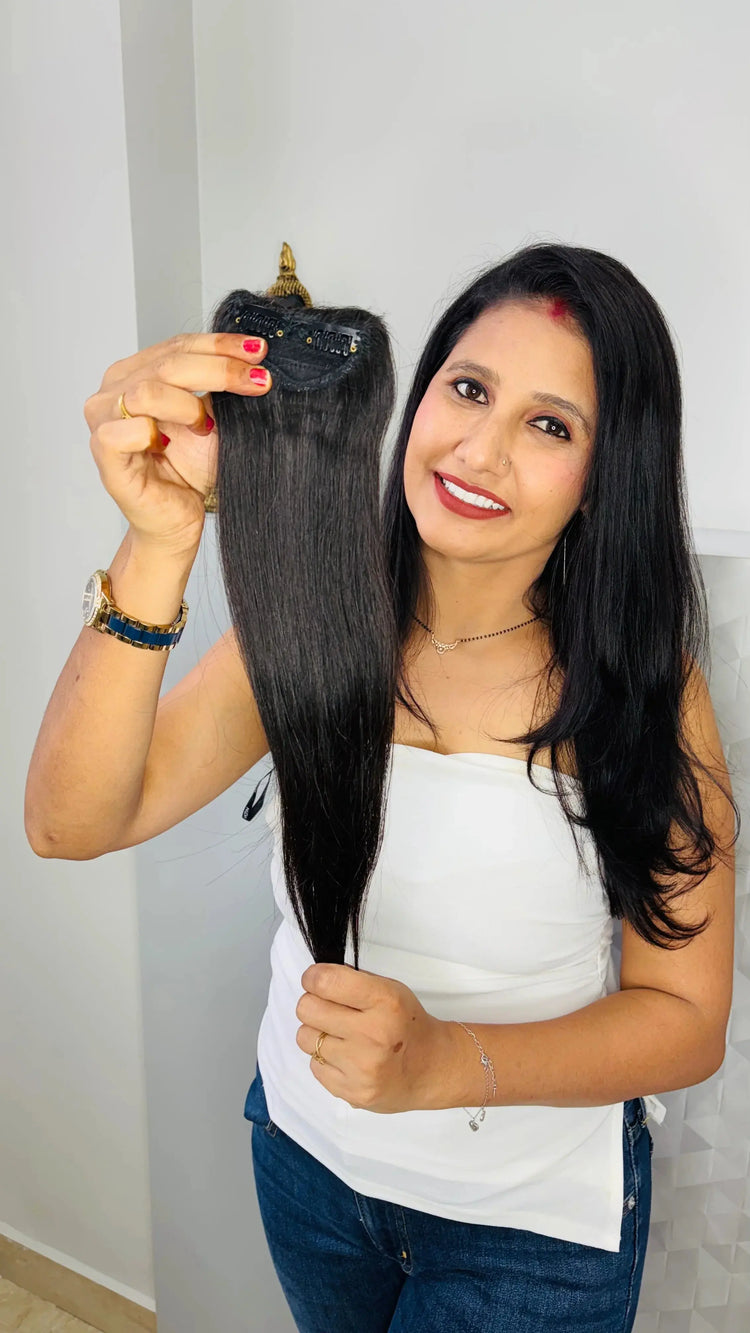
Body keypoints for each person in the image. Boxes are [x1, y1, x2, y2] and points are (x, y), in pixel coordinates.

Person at [25, 243, 736, 1333]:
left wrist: (448, 1061)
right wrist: (160, 536)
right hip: (309, 1168)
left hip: (532, 1229)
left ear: (607, 476)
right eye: (468, 388)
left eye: (551, 425)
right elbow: (68, 823)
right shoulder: (319, 619)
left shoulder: (644, 692)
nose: (481, 448)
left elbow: (686, 1021)